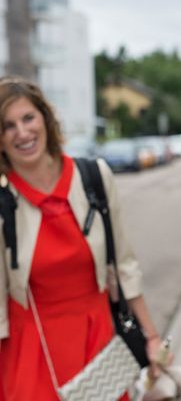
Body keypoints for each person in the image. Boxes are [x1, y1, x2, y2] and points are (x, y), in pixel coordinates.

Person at [0, 76, 163, 400]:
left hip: (97, 339)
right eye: (8, 126)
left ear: (45, 119)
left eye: (28, 118)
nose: (22, 132)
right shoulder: (3, 199)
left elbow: (126, 264)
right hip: (31, 348)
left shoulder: (94, 177)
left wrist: (152, 336)